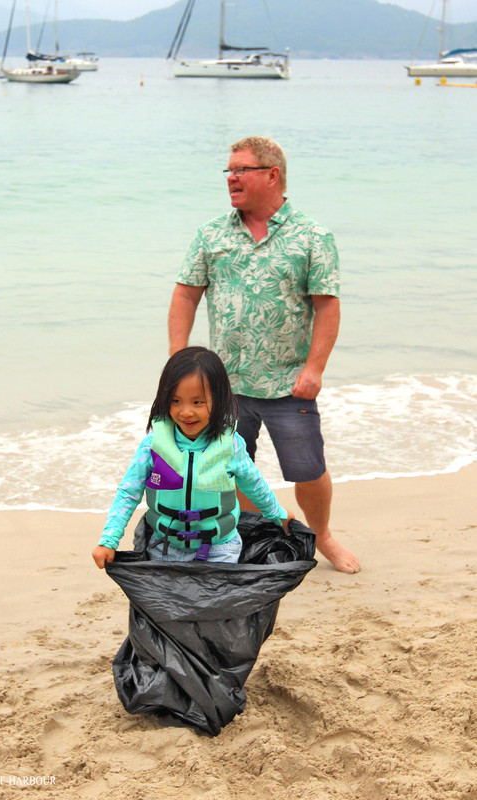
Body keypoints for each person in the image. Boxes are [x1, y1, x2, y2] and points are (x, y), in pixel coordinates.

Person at [168, 136, 360, 573]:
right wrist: (179, 360)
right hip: (225, 385)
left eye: (241, 169)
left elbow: (326, 306)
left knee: (308, 470)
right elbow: (185, 295)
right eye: (228, 170)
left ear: (272, 175)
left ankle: (323, 536)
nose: (231, 177)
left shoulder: (312, 236)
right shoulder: (211, 234)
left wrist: (315, 369)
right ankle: (252, 537)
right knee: (231, 471)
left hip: (289, 382)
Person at [92, 346, 295, 569]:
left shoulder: (230, 446)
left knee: (215, 604)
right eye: (176, 401)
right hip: (164, 548)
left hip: (220, 549)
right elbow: (129, 492)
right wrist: (108, 540)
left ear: (218, 399)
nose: (186, 412)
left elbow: (254, 485)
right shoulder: (154, 445)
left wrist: (278, 515)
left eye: (198, 402)